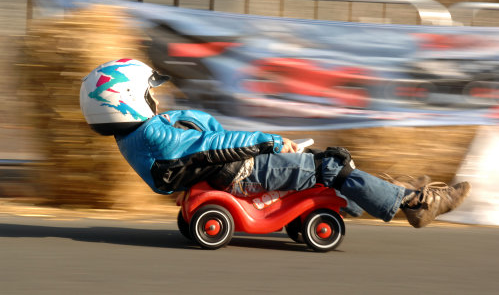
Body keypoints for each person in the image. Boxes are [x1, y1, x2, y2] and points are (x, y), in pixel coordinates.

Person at [80, 59, 471, 228]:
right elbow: (216, 147)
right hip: (240, 173)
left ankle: (379, 196)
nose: (155, 98)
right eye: (148, 92)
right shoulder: (152, 135)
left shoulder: (137, 135)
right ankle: (416, 204)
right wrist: (268, 142)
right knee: (330, 163)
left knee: (329, 167)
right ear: (127, 97)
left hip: (230, 170)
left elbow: (202, 131)